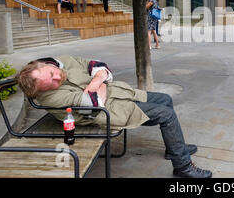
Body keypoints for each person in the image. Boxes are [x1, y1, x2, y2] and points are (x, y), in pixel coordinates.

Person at [14, 55, 212, 178]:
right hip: (109, 113)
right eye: (52, 82)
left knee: (165, 99)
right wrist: (98, 80)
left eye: (52, 72)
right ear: (42, 90)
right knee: (166, 115)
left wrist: (96, 80)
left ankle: (174, 150)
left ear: (44, 64)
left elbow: (96, 64)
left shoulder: (62, 60)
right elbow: (93, 103)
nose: (57, 77)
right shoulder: (50, 97)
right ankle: (183, 167)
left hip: (119, 93)